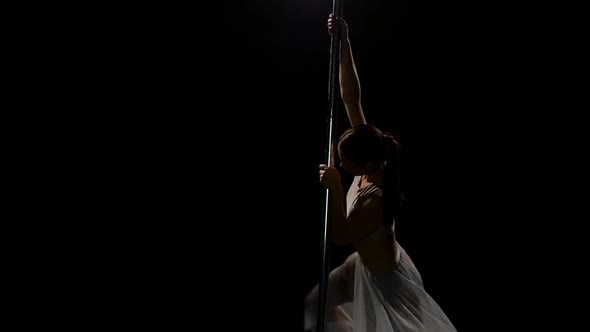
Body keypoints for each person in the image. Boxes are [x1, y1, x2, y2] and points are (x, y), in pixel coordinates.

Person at [303, 15, 457, 332]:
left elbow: (340, 235)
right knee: (313, 307)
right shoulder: (369, 154)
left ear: (369, 166)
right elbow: (351, 97)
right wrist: (344, 43)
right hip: (363, 265)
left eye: (348, 166)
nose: (344, 168)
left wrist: (333, 187)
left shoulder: (374, 201)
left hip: (386, 284)